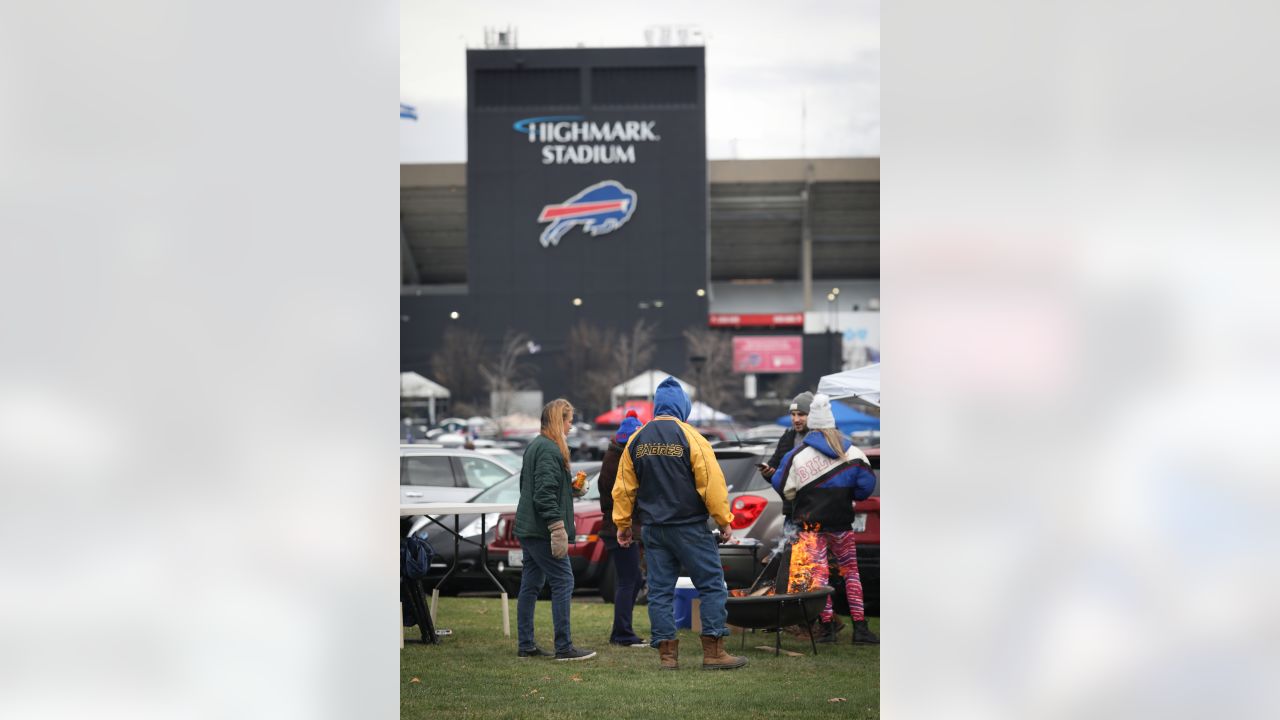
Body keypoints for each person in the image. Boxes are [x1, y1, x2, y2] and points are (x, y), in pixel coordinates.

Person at [613, 377, 748, 671]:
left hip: (654, 530)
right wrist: (724, 521)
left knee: (660, 592)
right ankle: (713, 652)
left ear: (657, 406)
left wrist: (623, 524)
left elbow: (623, 488)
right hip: (689, 528)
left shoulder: (637, 439)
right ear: (682, 407)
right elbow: (711, 485)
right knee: (712, 585)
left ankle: (667, 656)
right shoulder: (692, 438)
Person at [771, 393, 880, 644]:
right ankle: (861, 629)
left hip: (810, 526)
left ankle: (828, 627)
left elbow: (783, 487)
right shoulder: (853, 452)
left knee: (819, 575)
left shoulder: (797, 456)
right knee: (851, 572)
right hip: (842, 524)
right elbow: (865, 488)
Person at [514, 398, 596, 661]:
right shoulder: (550, 449)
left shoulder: (535, 446)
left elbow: (537, 488)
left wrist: (570, 489)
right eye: (569, 420)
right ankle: (564, 647)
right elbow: (542, 495)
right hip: (541, 531)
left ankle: (526, 644)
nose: (571, 425)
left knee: (531, 584)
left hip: (529, 528)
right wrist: (557, 527)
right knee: (564, 580)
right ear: (557, 421)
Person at [596, 410, 648, 647]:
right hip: (618, 527)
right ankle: (622, 633)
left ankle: (620, 631)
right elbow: (625, 497)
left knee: (631, 579)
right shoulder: (620, 461)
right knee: (630, 580)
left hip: (613, 527)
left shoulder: (611, 456)